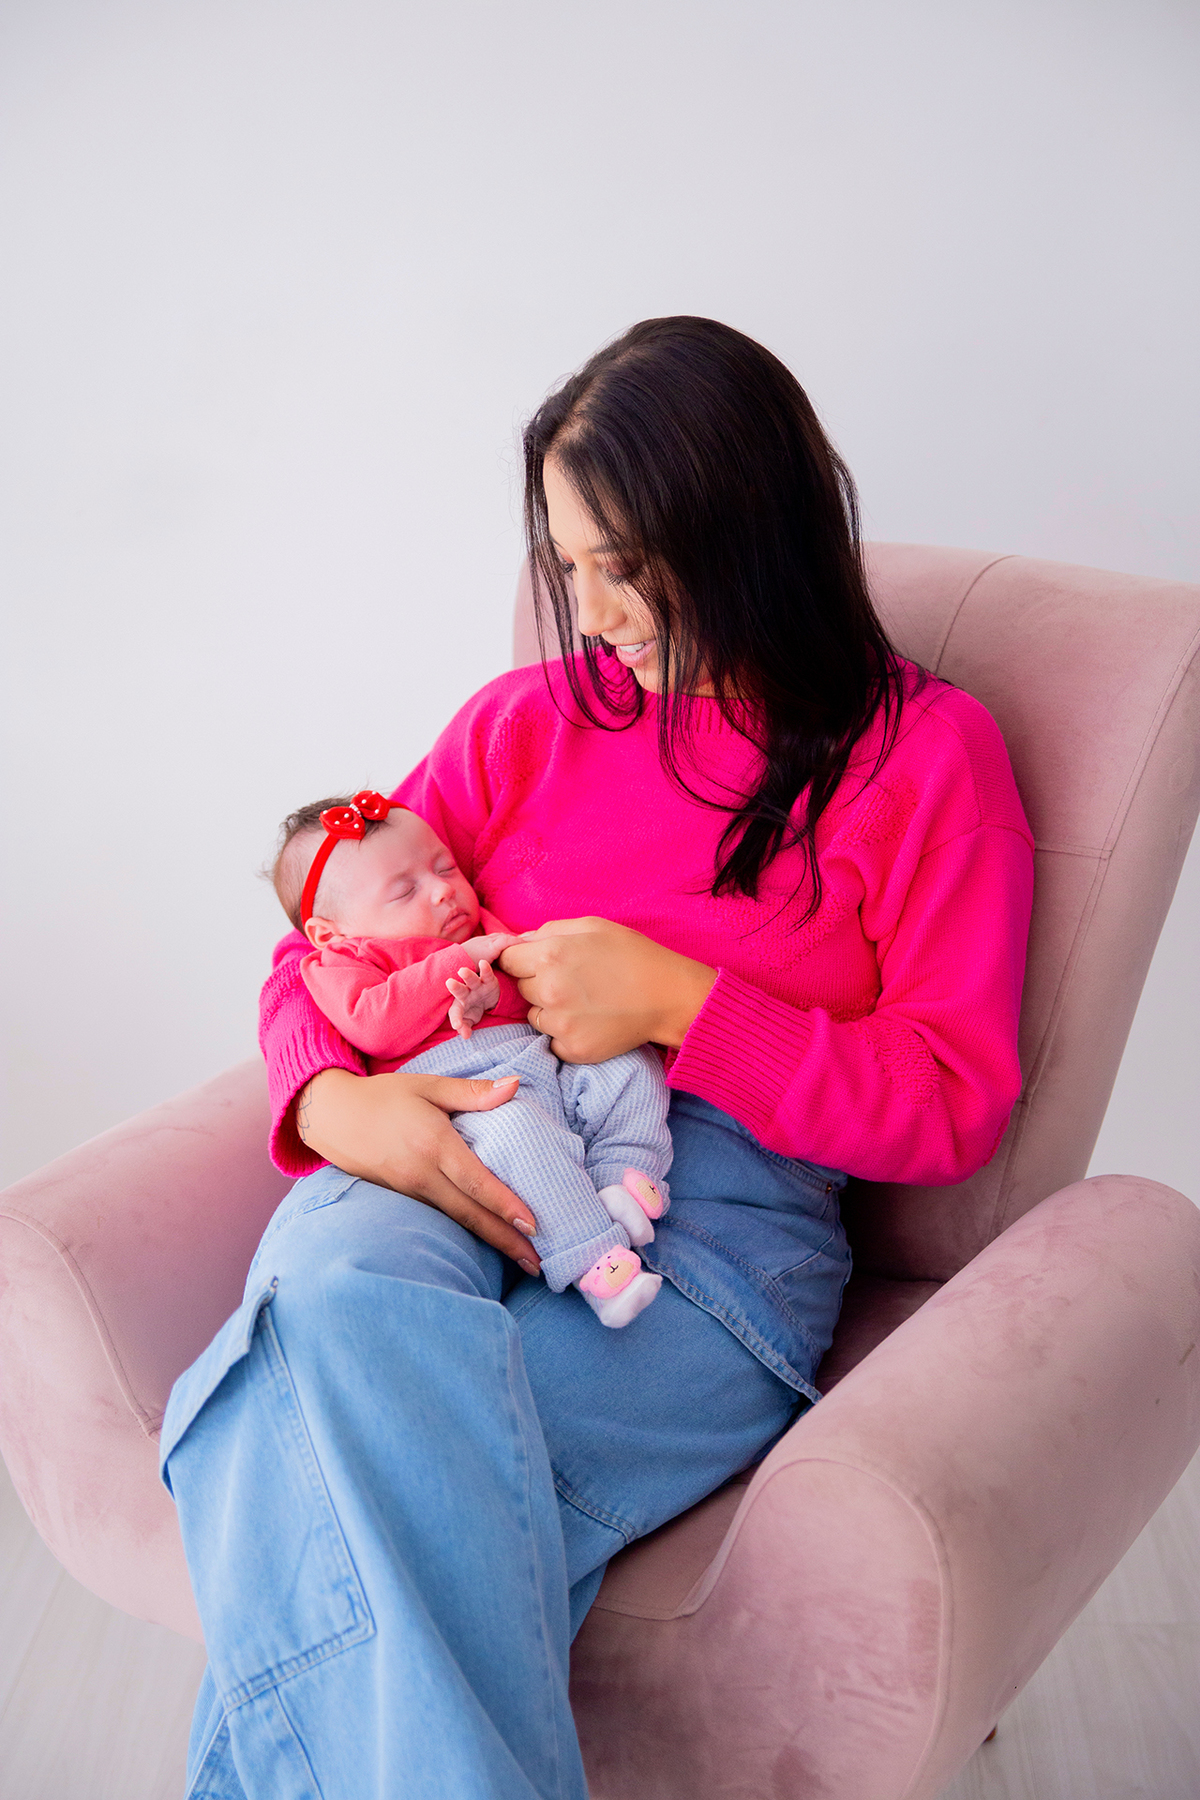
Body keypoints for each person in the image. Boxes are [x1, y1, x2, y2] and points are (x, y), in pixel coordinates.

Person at [160, 316, 1034, 1800]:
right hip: (452, 1143)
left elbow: (951, 1098)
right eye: (571, 565)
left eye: (626, 564)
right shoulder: (523, 730)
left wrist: (687, 1004)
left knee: (323, 1475)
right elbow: (323, 931)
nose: (598, 609)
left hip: (702, 1239)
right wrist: (333, 1099)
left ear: (749, 529)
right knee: (321, 1295)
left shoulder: (927, 759)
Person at [272, 789, 671, 1323]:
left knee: (630, 1065)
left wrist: (493, 994)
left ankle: (623, 1173)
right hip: (470, 1105)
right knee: (519, 1139)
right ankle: (598, 1262)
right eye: (404, 891)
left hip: (543, 1062)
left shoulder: (479, 927)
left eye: (445, 867)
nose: (443, 891)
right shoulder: (345, 962)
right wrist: (456, 964)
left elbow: (527, 988)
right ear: (331, 933)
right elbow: (375, 1025)